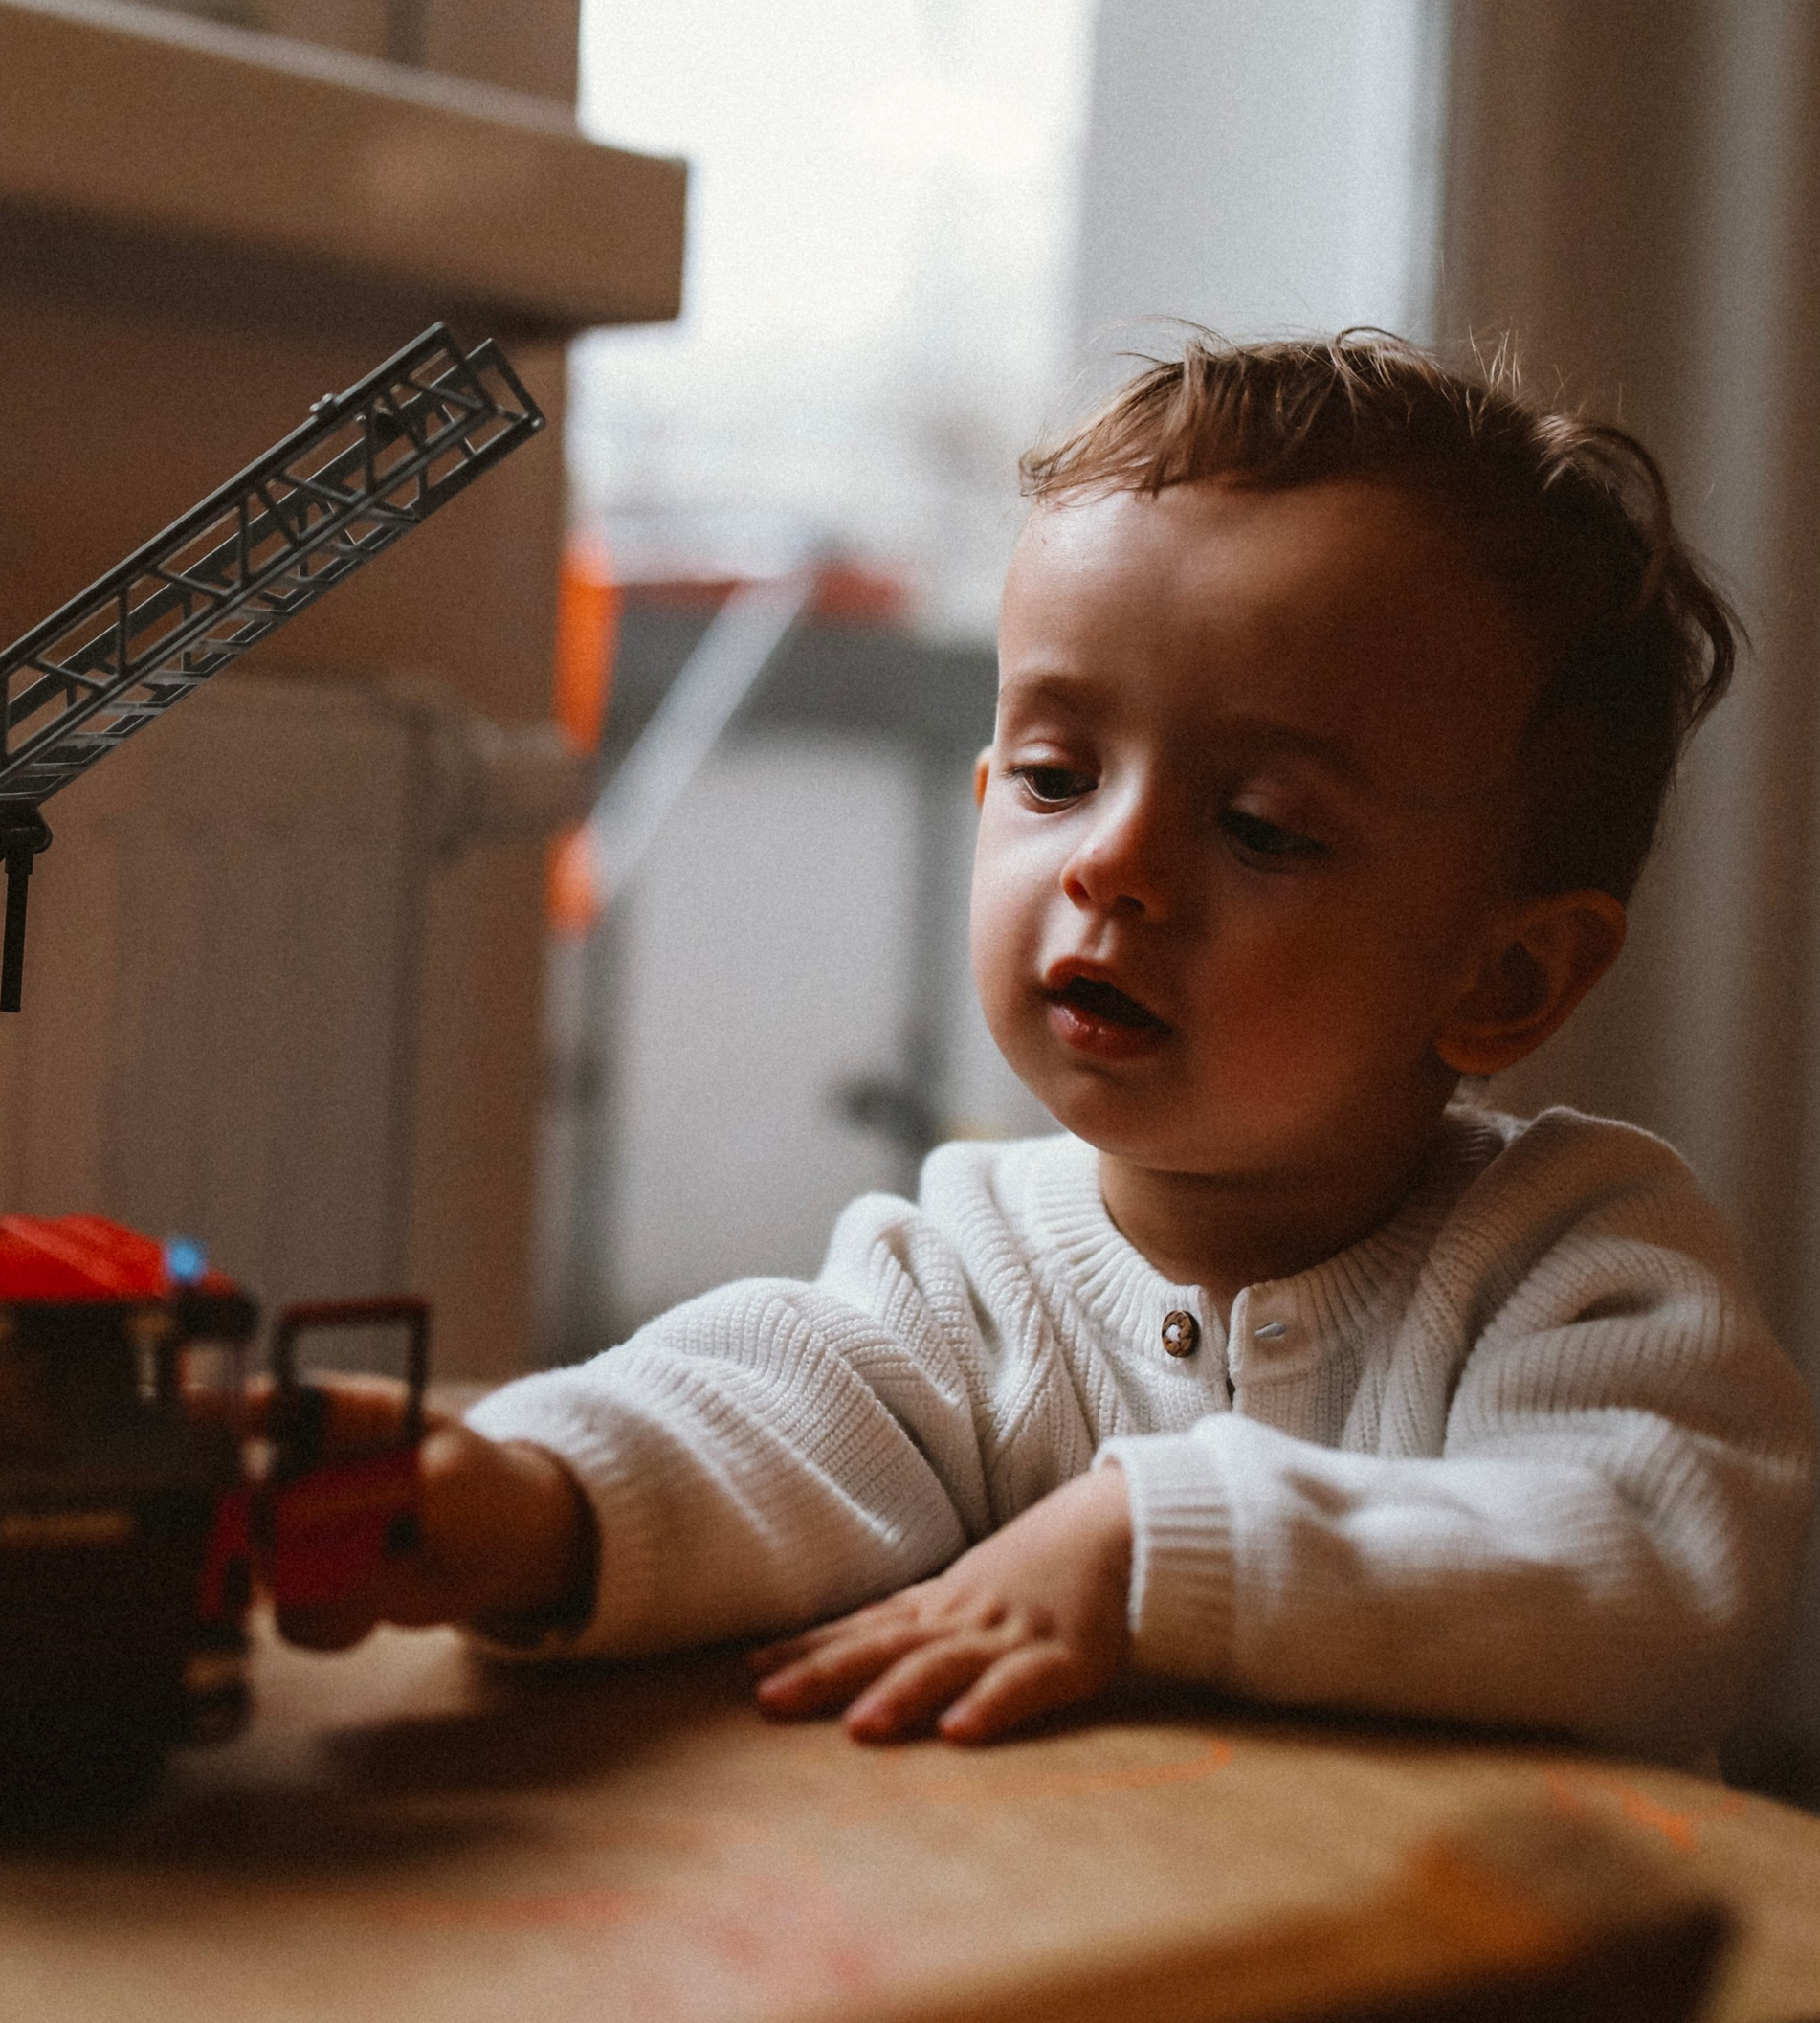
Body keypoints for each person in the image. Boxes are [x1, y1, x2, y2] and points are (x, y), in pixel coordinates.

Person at [281, 335, 1815, 1767]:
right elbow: (762, 1420)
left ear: (1506, 973)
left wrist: (1153, 1545)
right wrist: (537, 1500)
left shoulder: (1576, 1256)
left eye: (1263, 825)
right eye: (1057, 773)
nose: (1113, 863)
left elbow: (1666, 1580)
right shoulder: (967, 1270)